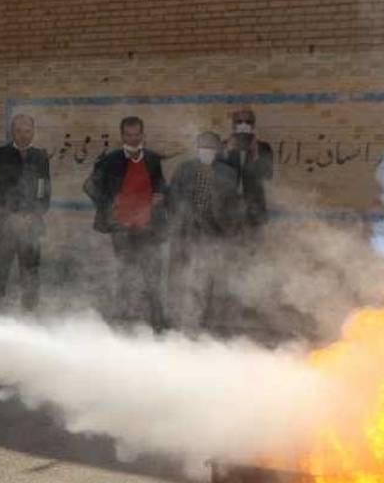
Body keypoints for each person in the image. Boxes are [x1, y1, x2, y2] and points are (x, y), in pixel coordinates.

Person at [84, 116, 168, 329]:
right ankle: (122, 323)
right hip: (122, 228)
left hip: (149, 226)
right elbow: (89, 186)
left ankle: (158, 325)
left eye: (137, 134)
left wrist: (161, 195)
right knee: (125, 274)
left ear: (142, 135)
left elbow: (161, 185)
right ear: (122, 135)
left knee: (152, 276)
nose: (133, 139)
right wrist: (109, 204)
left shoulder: (152, 158)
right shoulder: (109, 159)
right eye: (129, 135)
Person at [166, 131, 240, 331]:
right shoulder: (184, 170)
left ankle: (202, 323)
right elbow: (172, 198)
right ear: (196, 148)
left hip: (212, 233)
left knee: (205, 279)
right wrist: (181, 220)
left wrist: (221, 225)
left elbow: (232, 206)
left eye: (210, 148)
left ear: (218, 150)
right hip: (185, 232)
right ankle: (177, 322)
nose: (206, 151)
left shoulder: (228, 174)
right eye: (202, 147)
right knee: (181, 276)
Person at [0, 114, 51, 310]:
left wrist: (33, 215)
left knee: (30, 272)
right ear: (12, 132)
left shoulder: (40, 157)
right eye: (19, 131)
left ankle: (29, 313)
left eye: (27, 131)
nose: (23, 135)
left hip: (31, 227)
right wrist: (11, 216)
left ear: (33, 132)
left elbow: (44, 193)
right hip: (3, 228)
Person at [221, 108, 274, 228]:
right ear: (233, 125)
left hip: (254, 209)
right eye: (239, 122)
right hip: (228, 209)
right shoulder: (223, 146)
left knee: (253, 245)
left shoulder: (263, 148)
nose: (243, 125)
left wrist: (255, 155)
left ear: (253, 125)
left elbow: (268, 175)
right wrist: (226, 152)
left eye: (248, 122)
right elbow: (216, 175)